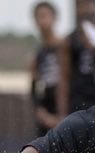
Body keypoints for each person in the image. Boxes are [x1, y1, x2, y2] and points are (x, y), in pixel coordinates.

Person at [56, 0, 95, 117]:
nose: (86, 9)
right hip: (79, 105)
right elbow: (64, 78)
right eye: (81, 4)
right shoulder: (69, 40)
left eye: (90, 3)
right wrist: (62, 114)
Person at [30, 1, 61, 137]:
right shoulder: (37, 54)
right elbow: (33, 87)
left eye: (45, 16)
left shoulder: (64, 48)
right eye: (38, 17)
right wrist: (41, 113)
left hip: (65, 108)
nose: (42, 21)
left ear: (54, 17)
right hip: (46, 108)